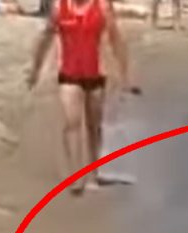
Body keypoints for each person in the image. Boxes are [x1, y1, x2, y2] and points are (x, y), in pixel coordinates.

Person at [27, 0, 139, 195]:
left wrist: (125, 76)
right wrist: (35, 71)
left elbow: (116, 40)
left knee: (94, 125)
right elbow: (45, 38)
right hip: (69, 75)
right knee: (72, 122)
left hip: (96, 73)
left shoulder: (102, 6)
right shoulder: (60, 7)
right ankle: (75, 176)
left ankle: (93, 173)